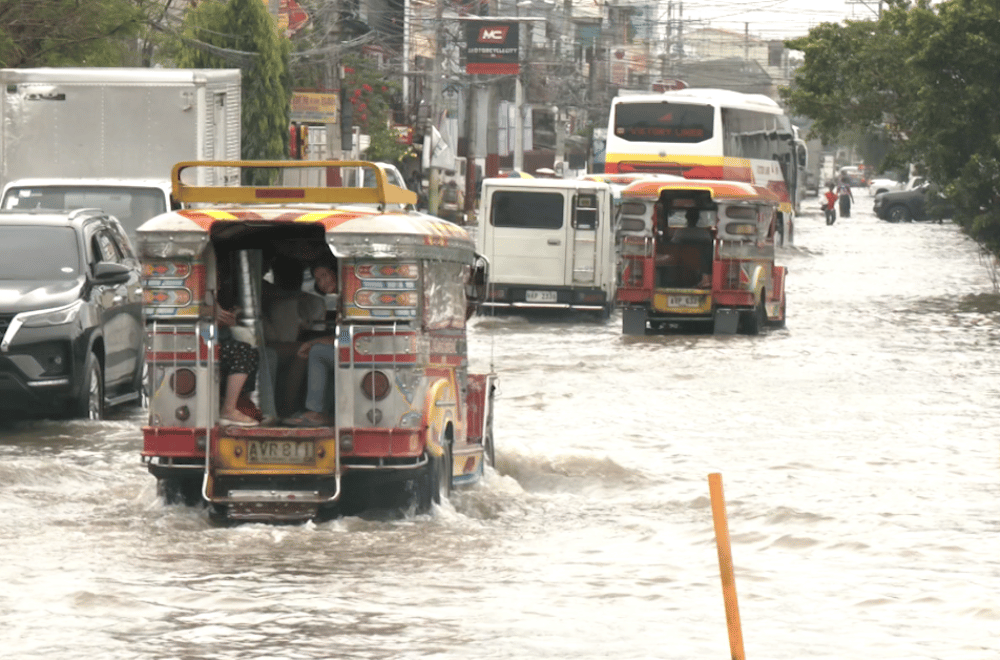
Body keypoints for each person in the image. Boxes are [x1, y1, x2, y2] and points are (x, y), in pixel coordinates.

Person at [285, 261, 340, 427]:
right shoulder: (335, 301)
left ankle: (316, 411)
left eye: (325, 276)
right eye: (318, 280)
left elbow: (346, 340)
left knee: (317, 352)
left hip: (360, 354)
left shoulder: (348, 300)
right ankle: (322, 412)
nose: (322, 283)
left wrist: (315, 342)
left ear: (336, 272)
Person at [671, 208, 713, 288]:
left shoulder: (679, 232)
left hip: (680, 261)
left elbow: (672, 246)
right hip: (701, 262)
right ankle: (706, 278)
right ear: (698, 218)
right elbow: (710, 247)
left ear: (686, 218)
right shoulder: (704, 233)